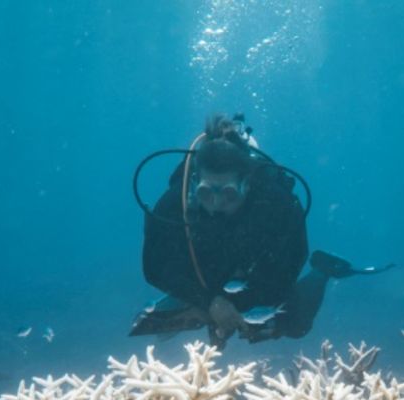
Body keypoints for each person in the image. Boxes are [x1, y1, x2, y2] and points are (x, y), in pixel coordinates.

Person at [134, 114, 377, 345]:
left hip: (258, 278)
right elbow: (154, 268)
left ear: (247, 185)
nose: (216, 205)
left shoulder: (276, 203)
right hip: (201, 279)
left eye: (228, 194)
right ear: (196, 182)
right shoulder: (176, 201)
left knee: (297, 325)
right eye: (206, 193)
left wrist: (244, 307)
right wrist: (209, 303)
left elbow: (291, 264)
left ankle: (321, 271)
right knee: (159, 319)